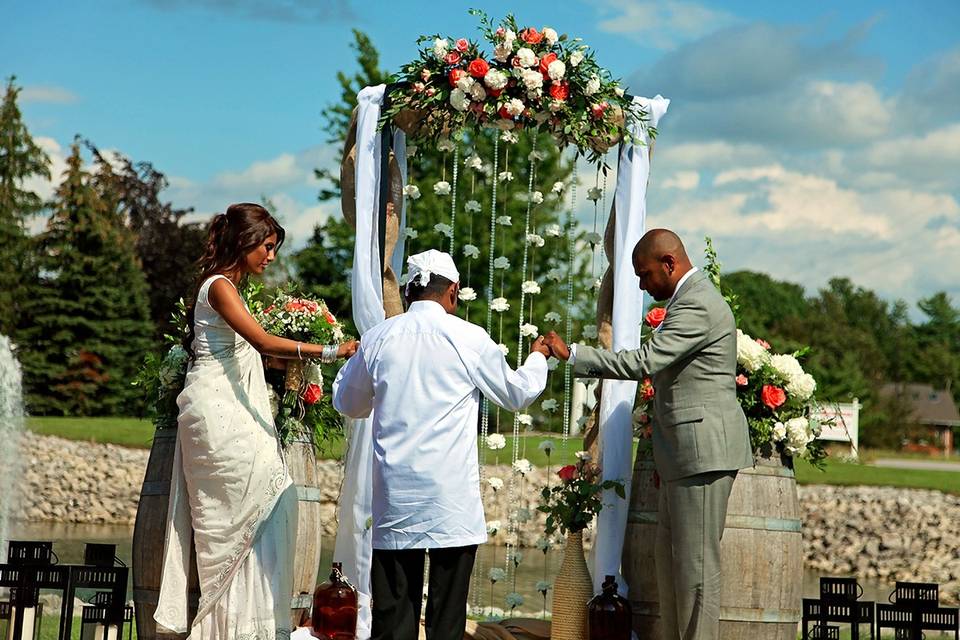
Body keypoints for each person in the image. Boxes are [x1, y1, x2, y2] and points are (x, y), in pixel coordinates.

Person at [155, 203, 358, 640]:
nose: (271, 256)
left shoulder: (233, 289)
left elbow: (256, 353)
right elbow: (260, 340)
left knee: (273, 502)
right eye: (266, 247)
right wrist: (330, 351)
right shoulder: (220, 287)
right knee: (244, 512)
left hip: (232, 411)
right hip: (216, 416)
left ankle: (254, 624)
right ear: (244, 243)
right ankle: (226, 627)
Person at [543, 229, 753, 640]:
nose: (641, 284)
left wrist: (576, 354)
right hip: (685, 456)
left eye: (644, 274)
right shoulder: (687, 301)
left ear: (670, 264)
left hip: (704, 455)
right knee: (671, 565)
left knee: (696, 572)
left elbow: (646, 361)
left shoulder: (697, 304)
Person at [332, 249, 550, 640]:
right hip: (450, 501)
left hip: (396, 499)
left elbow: (349, 403)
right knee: (447, 624)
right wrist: (537, 359)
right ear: (453, 291)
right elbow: (516, 394)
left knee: (393, 621)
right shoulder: (468, 337)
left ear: (410, 291)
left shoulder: (378, 337)